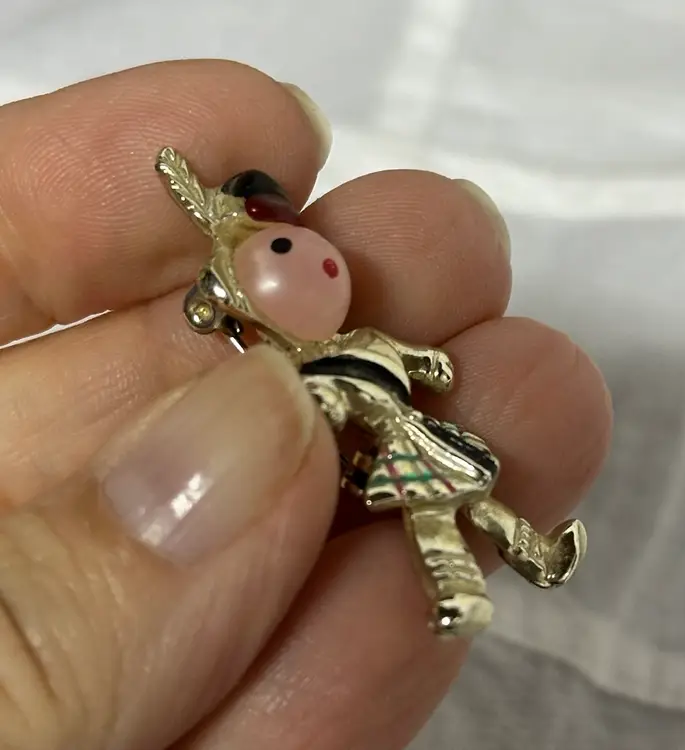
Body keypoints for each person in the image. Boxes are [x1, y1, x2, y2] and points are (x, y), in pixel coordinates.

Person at [0, 59, 612, 750]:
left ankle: (527, 558)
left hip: (407, 423)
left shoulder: (350, 335)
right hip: (384, 434)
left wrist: (420, 362)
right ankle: (464, 589)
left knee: (467, 492)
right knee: (439, 508)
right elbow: (227, 296)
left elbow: (384, 352)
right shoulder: (259, 295)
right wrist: (189, 198)